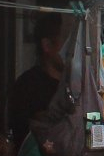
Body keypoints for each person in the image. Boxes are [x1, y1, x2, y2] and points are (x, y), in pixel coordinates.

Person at [8, 15, 64, 148]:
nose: (72, 49)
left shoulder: (75, 84)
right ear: (47, 45)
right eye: (67, 42)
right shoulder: (27, 86)